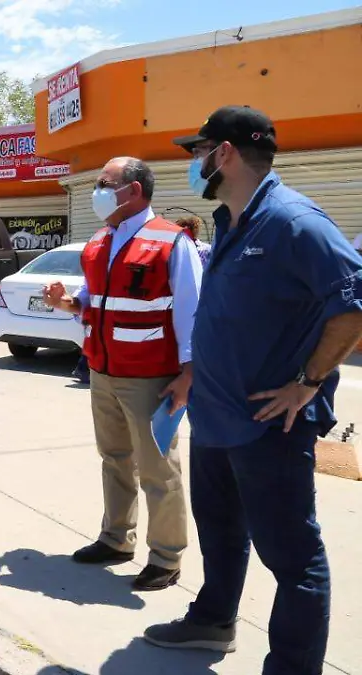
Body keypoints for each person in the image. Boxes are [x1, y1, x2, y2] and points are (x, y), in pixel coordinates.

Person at [144, 106, 362, 673]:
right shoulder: (230, 219)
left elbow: (353, 306)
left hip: (270, 428)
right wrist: (193, 379)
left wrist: (307, 383)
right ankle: (214, 621)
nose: (193, 163)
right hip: (214, 418)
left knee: (293, 560)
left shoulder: (294, 222)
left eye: (199, 151)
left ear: (226, 154)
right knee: (220, 533)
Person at [42, 157, 203, 591]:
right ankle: (116, 539)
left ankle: (166, 558)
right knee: (115, 459)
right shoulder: (101, 240)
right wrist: (66, 303)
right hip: (103, 369)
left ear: (132, 191)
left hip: (151, 375)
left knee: (157, 469)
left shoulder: (172, 243)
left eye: (104, 183)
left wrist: (189, 375)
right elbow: (94, 300)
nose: (97, 190)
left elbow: (194, 312)